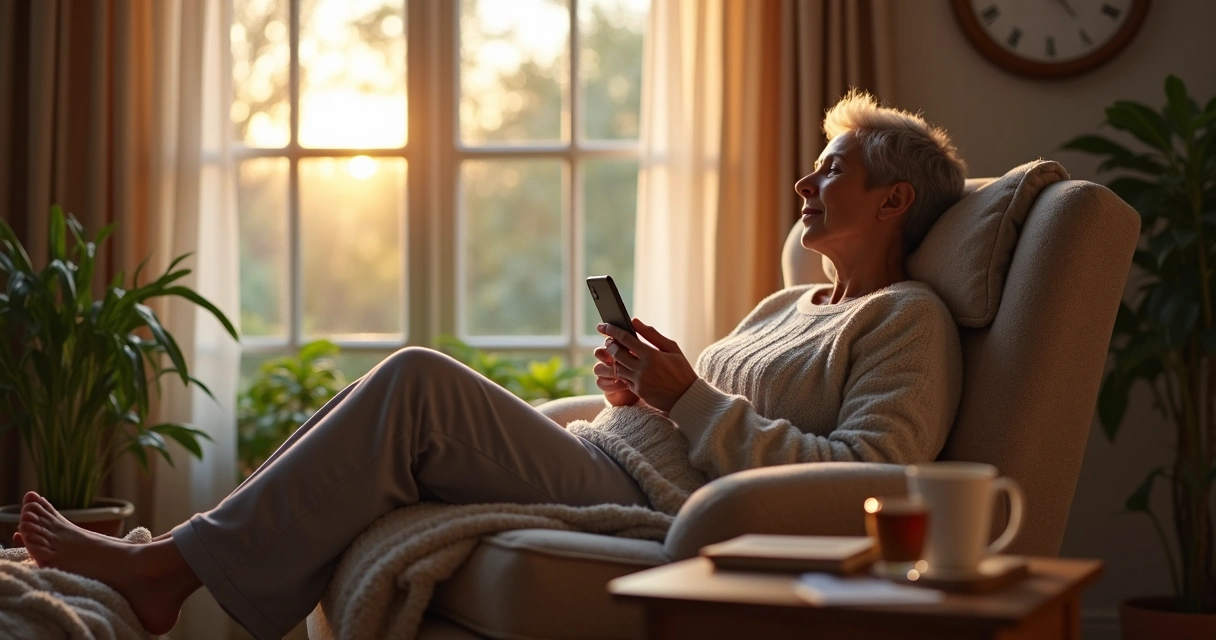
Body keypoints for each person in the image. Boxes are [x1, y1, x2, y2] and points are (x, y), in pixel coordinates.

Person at [14, 89, 966, 638]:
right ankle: (165, 560)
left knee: (415, 380)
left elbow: (872, 479)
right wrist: (639, 395)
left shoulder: (907, 321)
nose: (807, 180)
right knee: (382, 393)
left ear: (894, 203)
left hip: (661, 509)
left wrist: (691, 402)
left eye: (834, 168)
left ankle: (165, 576)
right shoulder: (786, 306)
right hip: (623, 456)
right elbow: (694, 417)